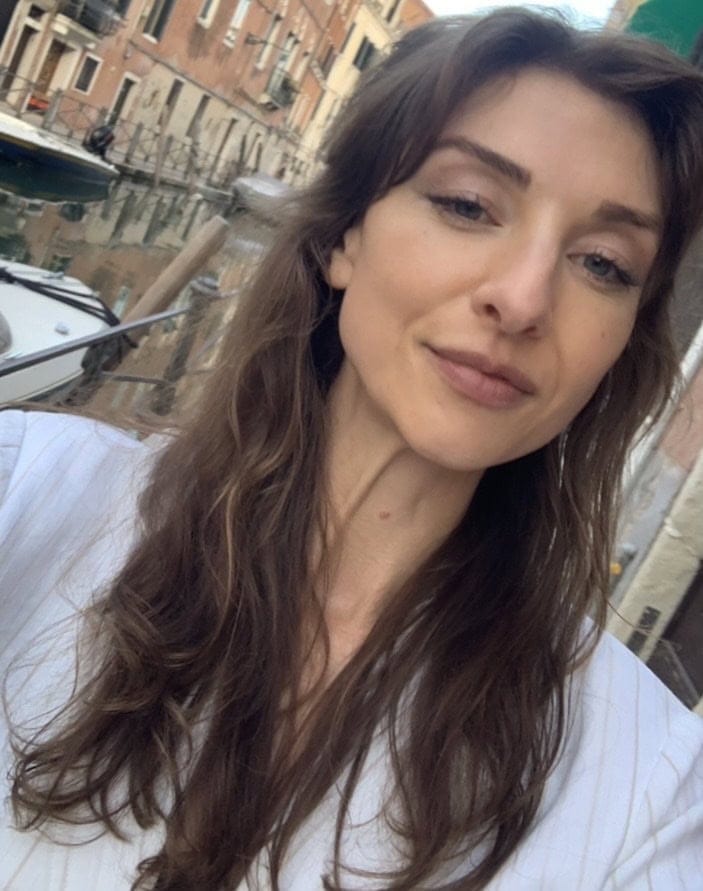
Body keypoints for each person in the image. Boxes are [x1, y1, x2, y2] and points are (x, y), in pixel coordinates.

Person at [2, 8, 703, 890]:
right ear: (343, 237)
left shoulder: (655, 787)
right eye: (466, 205)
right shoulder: (25, 484)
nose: (523, 299)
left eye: (602, 263)